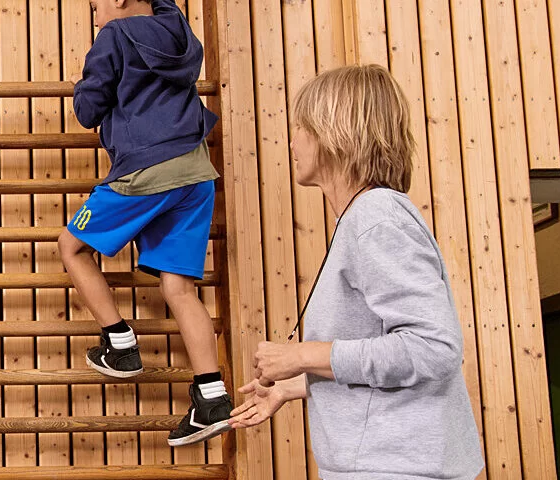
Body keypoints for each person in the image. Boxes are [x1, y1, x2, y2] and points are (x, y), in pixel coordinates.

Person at [227, 65, 484, 479]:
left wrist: (301, 356)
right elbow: (377, 354)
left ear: (334, 133)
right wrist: (296, 386)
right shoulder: (364, 218)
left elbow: (434, 347)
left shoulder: (376, 217)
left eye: (300, 128)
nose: (291, 142)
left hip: (397, 468)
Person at [61, 0, 228, 447]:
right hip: (196, 173)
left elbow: (87, 110)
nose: (93, 14)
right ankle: (212, 397)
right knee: (179, 288)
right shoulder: (180, 33)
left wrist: (86, 82)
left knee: (71, 247)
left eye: (96, 5)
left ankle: (119, 343)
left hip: (146, 170)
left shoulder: (114, 36)